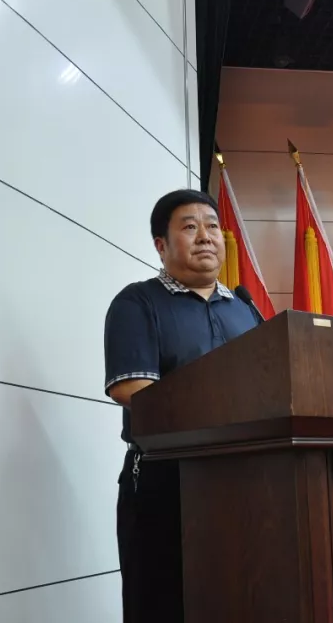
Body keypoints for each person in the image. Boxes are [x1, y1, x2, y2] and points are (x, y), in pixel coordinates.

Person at [104, 189, 262, 623]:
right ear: (161, 244)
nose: (206, 236)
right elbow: (132, 388)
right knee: (165, 604)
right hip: (166, 479)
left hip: (248, 480)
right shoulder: (138, 302)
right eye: (190, 227)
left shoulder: (244, 309)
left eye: (212, 226)